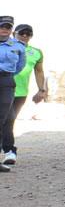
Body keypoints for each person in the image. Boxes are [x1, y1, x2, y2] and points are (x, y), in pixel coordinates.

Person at [2, 23, 46, 165]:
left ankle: (8, 150)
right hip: (4, 88)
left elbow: (39, 71)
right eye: (22, 33)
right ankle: (10, 150)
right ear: (14, 33)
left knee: (9, 121)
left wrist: (42, 90)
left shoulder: (35, 52)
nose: (25, 36)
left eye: (28, 34)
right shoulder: (6, 46)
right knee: (8, 120)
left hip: (20, 93)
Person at [0, 16, 27, 175]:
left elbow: (19, 66)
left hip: (6, 82)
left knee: (1, 120)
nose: (5, 29)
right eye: (2, 26)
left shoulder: (18, 46)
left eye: (8, 27)